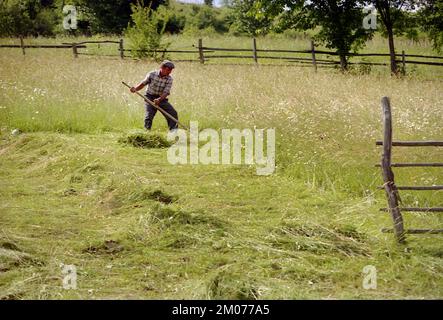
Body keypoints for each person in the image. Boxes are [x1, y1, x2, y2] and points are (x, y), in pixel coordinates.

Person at [130, 60, 178, 131]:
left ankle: (173, 133)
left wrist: (159, 99)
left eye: (171, 70)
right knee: (149, 116)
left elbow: (166, 92)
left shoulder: (169, 79)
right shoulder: (152, 74)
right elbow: (143, 84)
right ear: (162, 68)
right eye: (168, 70)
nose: (170, 72)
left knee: (173, 113)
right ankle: (146, 132)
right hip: (149, 97)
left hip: (161, 99)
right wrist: (135, 89)